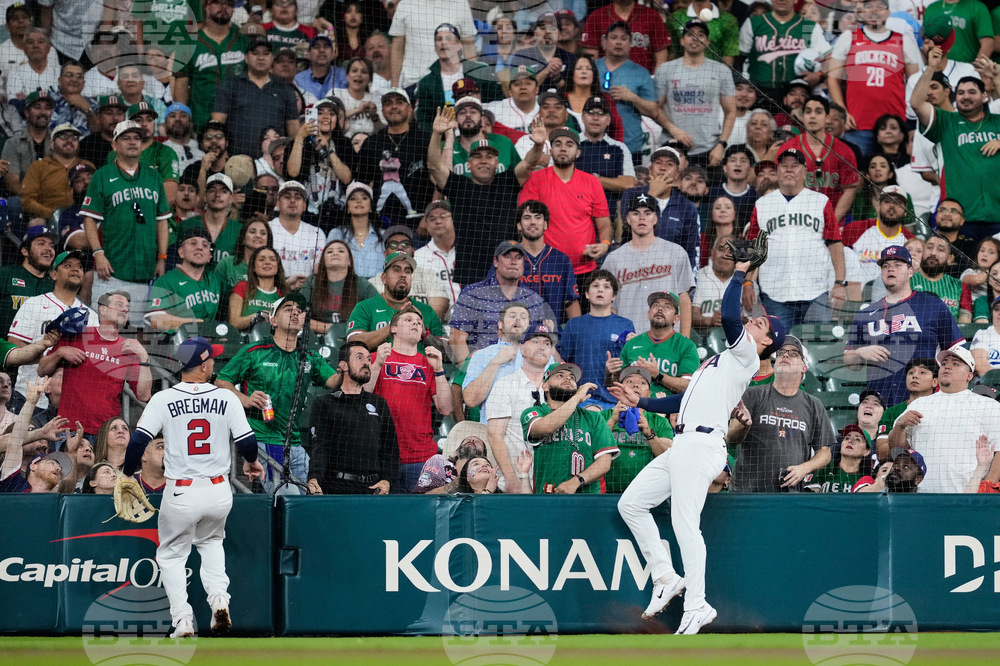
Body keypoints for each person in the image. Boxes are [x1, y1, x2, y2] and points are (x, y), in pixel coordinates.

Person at [612, 252, 785, 634]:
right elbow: (683, 400)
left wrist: (740, 272)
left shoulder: (746, 357)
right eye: (753, 319)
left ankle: (697, 604)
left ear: (767, 341)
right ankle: (666, 577)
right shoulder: (723, 360)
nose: (752, 322)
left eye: (759, 324)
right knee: (632, 504)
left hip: (702, 444)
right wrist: (640, 401)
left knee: (685, 522)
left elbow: (726, 315)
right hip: (683, 442)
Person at [121, 336, 264, 638]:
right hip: (218, 490)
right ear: (201, 365)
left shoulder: (164, 398)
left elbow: (138, 441)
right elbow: (248, 443)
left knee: (172, 556)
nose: (214, 362)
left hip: (182, 491)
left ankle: (183, 621)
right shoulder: (225, 398)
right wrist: (251, 463)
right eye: (211, 358)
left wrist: (126, 474)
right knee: (211, 544)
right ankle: (220, 603)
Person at [216, 293, 341, 496]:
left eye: (299, 311)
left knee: (311, 498)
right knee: (286, 497)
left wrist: (345, 369)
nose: (295, 313)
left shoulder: (310, 356)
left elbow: (334, 382)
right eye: (288, 309)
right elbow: (221, 381)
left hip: (296, 444)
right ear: (273, 320)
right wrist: (245, 400)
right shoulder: (254, 351)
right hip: (262, 439)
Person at [428, 109, 547, 285]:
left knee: (510, 313)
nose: (483, 160)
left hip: (508, 267)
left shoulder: (508, 180)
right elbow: (434, 165)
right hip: (471, 270)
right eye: (477, 157)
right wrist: (437, 134)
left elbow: (530, 162)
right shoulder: (458, 185)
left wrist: (538, 145)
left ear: (497, 163)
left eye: (489, 156)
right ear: (468, 164)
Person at [845, 245, 965, 407]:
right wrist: (860, 352)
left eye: (897, 265)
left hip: (926, 401)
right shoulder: (866, 313)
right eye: (885, 266)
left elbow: (956, 351)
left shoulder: (933, 305)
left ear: (910, 272)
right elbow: (850, 362)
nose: (890, 269)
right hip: (881, 401)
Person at [82, 120, 171, 328]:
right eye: (126, 138)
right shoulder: (102, 175)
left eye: (137, 138)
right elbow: (89, 219)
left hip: (144, 273)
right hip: (110, 272)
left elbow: (162, 222)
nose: (133, 142)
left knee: (135, 338)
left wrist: (162, 257)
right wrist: (98, 253)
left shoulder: (154, 176)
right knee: (104, 332)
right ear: (114, 145)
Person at [744, 149, 846, 329]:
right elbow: (754, 248)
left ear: (805, 171)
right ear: (777, 171)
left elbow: (835, 244)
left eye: (795, 166)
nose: (789, 170)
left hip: (816, 292)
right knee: (779, 348)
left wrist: (839, 283)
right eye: (784, 166)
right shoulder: (762, 204)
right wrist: (747, 282)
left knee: (819, 348)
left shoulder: (821, 201)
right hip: (775, 292)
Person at [37, 290, 152, 439]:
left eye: (127, 308)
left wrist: (144, 357)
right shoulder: (77, 336)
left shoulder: (129, 349)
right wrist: (61, 352)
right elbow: (41, 370)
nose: (125, 310)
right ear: (103, 309)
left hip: (105, 434)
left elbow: (144, 395)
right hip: (69, 428)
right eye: (119, 305)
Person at [727, 334, 834, 493]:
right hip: (746, 492)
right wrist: (743, 425)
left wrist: (804, 468)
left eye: (794, 354)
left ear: (804, 367)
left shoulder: (814, 405)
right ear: (775, 363)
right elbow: (730, 439)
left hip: (788, 495)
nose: (785, 355)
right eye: (782, 352)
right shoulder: (752, 394)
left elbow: (825, 452)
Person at [886, 347, 1000, 491]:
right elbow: (896, 449)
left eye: (956, 364)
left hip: (969, 496)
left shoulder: (988, 405)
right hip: (922, 495)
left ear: (969, 376)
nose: (947, 366)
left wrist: (987, 489)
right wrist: (900, 427)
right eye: (944, 363)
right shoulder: (919, 404)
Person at [912, 52, 1000, 236]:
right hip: (960, 217)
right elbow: (917, 104)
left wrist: (997, 78)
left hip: (997, 212)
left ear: (984, 96)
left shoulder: (996, 120)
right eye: (960, 93)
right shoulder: (946, 123)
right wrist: (930, 68)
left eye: (972, 92)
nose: (965, 96)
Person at [367, 307, 451, 491]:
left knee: (424, 515)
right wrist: (378, 365)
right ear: (393, 328)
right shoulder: (375, 358)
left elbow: (445, 409)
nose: (416, 323)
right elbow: (362, 396)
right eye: (408, 320)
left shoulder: (428, 363)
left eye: (419, 322)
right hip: (383, 455)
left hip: (422, 457)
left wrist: (439, 370)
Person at [825, 0, 921, 156]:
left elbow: (914, 84)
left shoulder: (904, 40)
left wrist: (911, 124)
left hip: (895, 125)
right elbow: (833, 79)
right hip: (858, 124)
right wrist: (843, 111)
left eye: (879, 7)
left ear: (889, 13)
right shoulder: (849, 37)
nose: (874, 11)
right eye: (869, 7)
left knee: (896, 174)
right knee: (858, 174)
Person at [518, 127, 612, 278]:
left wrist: (605, 244)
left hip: (585, 269)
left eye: (569, 144)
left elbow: (604, 222)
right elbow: (526, 223)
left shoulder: (591, 182)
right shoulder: (536, 179)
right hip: (545, 269)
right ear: (551, 151)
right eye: (557, 144)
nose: (563, 148)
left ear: (578, 153)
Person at [307, 341, 399, 495]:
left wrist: (387, 480)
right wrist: (314, 477)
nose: (367, 363)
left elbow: (390, 448)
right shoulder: (324, 403)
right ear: (343, 365)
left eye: (369, 359)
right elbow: (319, 446)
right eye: (359, 358)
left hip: (374, 490)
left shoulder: (378, 402)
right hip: (337, 488)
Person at [8, 250, 97, 407]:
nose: (76, 269)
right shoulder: (34, 304)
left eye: (80, 267)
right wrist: (49, 357)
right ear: (54, 275)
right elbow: (14, 345)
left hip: (72, 401)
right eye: (68, 265)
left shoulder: (92, 315)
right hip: (30, 396)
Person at [602, 195, 696, 336]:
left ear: (655, 219)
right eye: (635, 213)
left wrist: (685, 340)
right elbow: (610, 307)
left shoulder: (676, 252)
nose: (642, 218)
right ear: (628, 219)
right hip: (627, 339)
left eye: (647, 213)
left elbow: (684, 299)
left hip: (668, 339)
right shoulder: (613, 259)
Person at [520, 362, 620, 493]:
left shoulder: (594, 418)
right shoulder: (534, 412)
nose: (568, 378)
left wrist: (576, 482)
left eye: (572, 377)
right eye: (560, 375)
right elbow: (546, 427)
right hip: (547, 497)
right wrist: (577, 397)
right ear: (545, 386)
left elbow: (604, 463)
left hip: (587, 499)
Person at [449, 241, 554, 364]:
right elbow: (457, 339)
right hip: (482, 369)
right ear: (496, 262)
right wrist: (469, 375)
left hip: (522, 373)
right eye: (507, 256)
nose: (513, 262)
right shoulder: (472, 294)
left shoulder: (534, 299)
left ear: (523, 264)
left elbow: (538, 343)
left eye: (518, 258)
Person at [654, 19, 736, 169]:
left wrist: (721, 145)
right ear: (682, 41)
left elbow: (731, 111)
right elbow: (655, 108)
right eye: (690, 34)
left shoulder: (721, 71)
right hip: (671, 148)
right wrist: (673, 130)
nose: (695, 38)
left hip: (708, 150)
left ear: (707, 42)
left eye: (701, 34)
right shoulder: (665, 69)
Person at [484, 324, 555, 493]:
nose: (541, 346)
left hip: (550, 484)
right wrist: (511, 478)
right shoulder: (505, 385)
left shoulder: (557, 387)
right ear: (521, 348)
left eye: (547, 343)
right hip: (514, 483)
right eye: (535, 341)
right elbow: (495, 436)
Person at [212, 34, 300, 159]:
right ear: (246, 58)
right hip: (237, 159)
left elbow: (294, 130)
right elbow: (217, 125)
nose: (260, 58)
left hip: (274, 161)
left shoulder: (285, 89)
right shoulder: (230, 85)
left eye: (266, 53)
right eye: (255, 53)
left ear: (272, 58)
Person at [353, 87, 434, 224]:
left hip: (420, 222)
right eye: (388, 103)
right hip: (381, 222)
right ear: (383, 110)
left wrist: (429, 216)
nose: (394, 106)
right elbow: (362, 184)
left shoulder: (426, 140)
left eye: (400, 102)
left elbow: (438, 181)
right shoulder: (371, 143)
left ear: (409, 108)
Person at [619, 146, 702, 272]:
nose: (663, 168)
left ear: (677, 174)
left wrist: (687, 287)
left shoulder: (687, 207)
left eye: (670, 164)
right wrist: (652, 193)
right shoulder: (631, 195)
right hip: (632, 271)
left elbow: (691, 251)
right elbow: (628, 228)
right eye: (658, 163)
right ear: (650, 170)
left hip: (670, 275)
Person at [559, 270, 634, 408]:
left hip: (616, 399)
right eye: (595, 286)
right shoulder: (574, 324)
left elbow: (630, 365)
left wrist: (634, 346)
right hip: (581, 399)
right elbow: (562, 361)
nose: (600, 289)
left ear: (614, 296)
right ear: (587, 294)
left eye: (606, 287)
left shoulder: (626, 324)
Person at [778, 96, 859, 223]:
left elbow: (849, 189)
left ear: (827, 117)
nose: (812, 116)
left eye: (818, 112)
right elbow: (781, 189)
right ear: (803, 116)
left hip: (835, 221)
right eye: (808, 112)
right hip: (797, 220)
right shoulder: (788, 148)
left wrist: (831, 223)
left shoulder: (844, 151)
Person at [345, 251, 446, 352]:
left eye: (407, 271)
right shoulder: (365, 307)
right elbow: (354, 344)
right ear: (383, 278)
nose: (403, 275)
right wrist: (394, 325)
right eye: (396, 270)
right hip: (380, 366)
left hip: (419, 367)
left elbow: (449, 353)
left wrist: (425, 333)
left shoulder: (426, 310)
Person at [413, 24, 504, 133]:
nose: (443, 42)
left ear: (459, 45)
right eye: (439, 39)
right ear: (435, 47)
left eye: (449, 38)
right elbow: (424, 120)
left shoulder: (480, 71)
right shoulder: (426, 83)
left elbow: (499, 103)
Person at [611, 292, 700, 401]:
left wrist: (658, 375)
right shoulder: (631, 344)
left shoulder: (686, 346)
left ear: (676, 318)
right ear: (648, 313)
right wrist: (609, 373)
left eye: (667, 306)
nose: (660, 309)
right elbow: (617, 383)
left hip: (668, 411)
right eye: (656, 305)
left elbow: (689, 387)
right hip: (634, 408)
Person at [173, 0, 248, 131]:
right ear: (207, 8)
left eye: (229, 4)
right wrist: (183, 117)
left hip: (239, 121)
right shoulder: (188, 44)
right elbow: (181, 84)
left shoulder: (244, 42)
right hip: (200, 120)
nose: (224, 7)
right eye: (218, 2)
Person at [738, 0, 830, 105]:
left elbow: (831, 59)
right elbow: (739, 59)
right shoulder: (753, 23)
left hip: (795, 98)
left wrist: (819, 74)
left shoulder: (810, 26)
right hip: (758, 94)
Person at [596, 22, 664, 163]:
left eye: (624, 38)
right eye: (614, 37)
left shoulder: (641, 73)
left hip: (629, 147)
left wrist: (633, 98)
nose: (619, 42)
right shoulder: (591, 68)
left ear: (631, 43)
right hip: (593, 145)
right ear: (605, 41)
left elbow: (654, 111)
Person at [602, 366, 673, 493]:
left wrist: (650, 434)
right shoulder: (602, 417)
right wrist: (612, 421)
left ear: (649, 394)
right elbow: (590, 450)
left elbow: (668, 458)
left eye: (642, 383)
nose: (636, 385)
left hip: (647, 492)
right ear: (619, 389)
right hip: (607, 491)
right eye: (629, 381)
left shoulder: (660, 421)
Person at [286, 96, 354, 219]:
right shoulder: (297, 143)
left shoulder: (345, 144)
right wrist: (300, 137)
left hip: (338, 212)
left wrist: (329, 150)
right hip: (306, 213)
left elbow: (347, 179)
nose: (326, 117)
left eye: (331, 114)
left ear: (337, 120)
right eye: (320, 113)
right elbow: (293, 173)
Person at [367, 224, 449, 322]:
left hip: (425, 332)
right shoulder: (374, 282)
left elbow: (439, 309)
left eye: (406, 244)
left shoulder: (429, 275)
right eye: (393, 244)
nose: (400, 247)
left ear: (413, 251)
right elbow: (373, 315)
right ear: (385, 254)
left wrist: (418, 329)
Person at [146, 227, 222, 332]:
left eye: (205, 245)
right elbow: (156, 320)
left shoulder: (215, 281)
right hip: (176, 342)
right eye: (193, 243)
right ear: (181, 252)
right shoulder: (166, 281)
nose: (200, 247)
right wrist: (196, 324)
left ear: (209, 256)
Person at [388, 4, 476, 89]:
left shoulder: (461, 3)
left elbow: (468, 46)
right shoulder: (405, 4)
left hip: (455, 83)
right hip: (414, 82)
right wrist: (394, 87)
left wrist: (474, 82)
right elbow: (397, 49)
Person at [299, 240, 377, 334]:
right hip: (316, 338)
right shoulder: (312, 282)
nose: (335, 253)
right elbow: (298, 314)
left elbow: (377, 314)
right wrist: (330, 329)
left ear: (349, 261)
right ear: (323, 261)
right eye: (330, 252)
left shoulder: (362, 285)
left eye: (341, 251)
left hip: (352, 338)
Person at [576, 95, 636, 218]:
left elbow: (628, 184)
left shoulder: (619, 148)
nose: (596, 118)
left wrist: (594, 180)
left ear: (608, 120)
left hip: (609, 216)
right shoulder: (571, 144)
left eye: (601, 114)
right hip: (574, 215)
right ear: (582, 117)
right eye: (591, 113)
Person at [842, 185, 914, 283]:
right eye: (887, 201)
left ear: (906, 211)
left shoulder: (910, 241)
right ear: (879, 206)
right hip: (856, 294)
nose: (892, 206)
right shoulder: (855, 229)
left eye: (898, 202)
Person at [20, 123, 93, 220]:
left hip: (84, 218)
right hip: (47, 218)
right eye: (63, 136)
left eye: (74, 137)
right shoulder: (39, 166)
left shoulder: (88, 166)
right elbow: (27, 201)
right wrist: (52, 214)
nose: (69, 140)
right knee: (36, 223)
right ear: (52, 144)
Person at [581, 0, 670, 74]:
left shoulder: (652, 16)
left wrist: (653, 84)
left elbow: (661, 57)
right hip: (606, 82)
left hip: (642, 83)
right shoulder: (596, 17)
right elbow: (591, 59)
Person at [0, 226, 57, 341]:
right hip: (5, 353)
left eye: (51, 246)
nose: (49, 249)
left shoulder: (54, 286)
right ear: (25, 251)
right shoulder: (5, 274)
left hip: (42, 354)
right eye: (41, 244)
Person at [269, 180, 325, 291]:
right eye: (287, 197)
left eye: (298, 197)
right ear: (278, 203)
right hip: (274, 290)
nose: (293, 201)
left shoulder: (317, 233)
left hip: (308, 291)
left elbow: (319, 272)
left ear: (304, 205)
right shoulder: (267, 229)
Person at [326, 181, 385, 279]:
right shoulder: (336, 234)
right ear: (347, 207)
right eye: (353, 198)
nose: (359, 201)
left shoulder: (383, 236)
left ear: (371, 206)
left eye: (364, 198)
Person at [213, 216, 274, 301]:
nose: (258, 236)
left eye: (263, 233)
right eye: (252, 232)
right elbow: (214, 294)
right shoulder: (226, 264)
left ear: (268, 240)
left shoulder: (273, 267)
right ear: (243, 239)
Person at [228, 247, 289, 331]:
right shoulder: (242, 287)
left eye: (272, 259)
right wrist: (257, 316)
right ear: (253, 267)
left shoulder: (283, 294)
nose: (267, 262)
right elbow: (234, 323)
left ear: (278, 266)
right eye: (261, 259)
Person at [804, 424, 872, 493]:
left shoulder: (865, 480)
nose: (850, 441)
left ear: (867, 451)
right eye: (847, 438)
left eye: (858, 439)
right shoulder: (826, 467)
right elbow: (810, 497)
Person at [692, 235, 737, 332]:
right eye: (721, 249)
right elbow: (690, 314)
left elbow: (755, 318)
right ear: (712, 253)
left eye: (731, 251)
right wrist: (710, 320)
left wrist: (740, 318)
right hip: (703, 339)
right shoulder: (697, 278)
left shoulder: (745, 285)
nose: (725, 255)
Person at [293, 34, 346, 105]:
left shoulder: (343, 75)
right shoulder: (298, 79)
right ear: (309, 54)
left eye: (326, 46)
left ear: (333, 54)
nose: (322, 50)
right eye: (316, 47)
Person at [77, 96, 127, 166]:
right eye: (109, 113)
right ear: (98, 117)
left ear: (125, 117)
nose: (115, 118)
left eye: (119, 113)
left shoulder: (133, 142)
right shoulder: (86, 145)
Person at [853, 446, 927, 492]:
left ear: (918, 479)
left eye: (906, 467)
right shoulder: (878, 496)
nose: (897, 468)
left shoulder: (927, 502)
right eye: (895, 464)